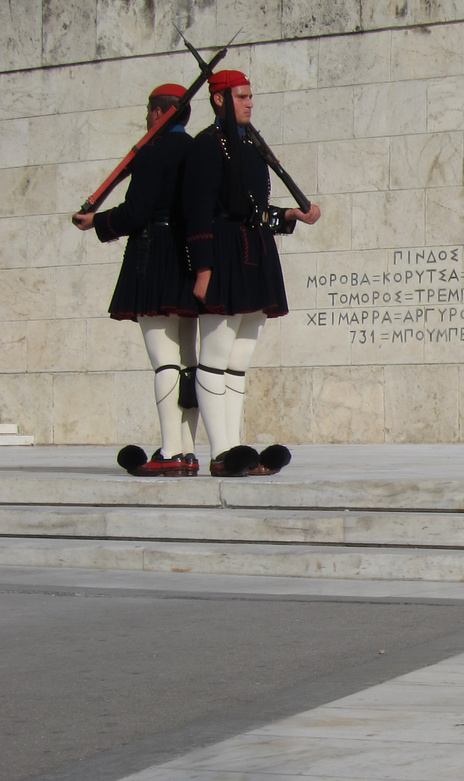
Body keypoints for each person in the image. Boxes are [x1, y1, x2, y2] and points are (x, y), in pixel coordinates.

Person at [183, 69, 321, 476]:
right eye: (242, 96)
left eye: (250, 96)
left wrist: (289, 214)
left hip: (254, 252)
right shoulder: (207, 147)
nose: (250, 102)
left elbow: (253, 208)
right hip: (224, 254)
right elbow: (198, 211)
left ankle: (234, 446)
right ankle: (222, 452)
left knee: (240, 356)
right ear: (220, 99)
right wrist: (203, 268)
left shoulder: (249, 145)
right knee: (215, 355)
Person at [73, 84, 202, 477]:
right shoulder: (198, 150)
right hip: (192, 256)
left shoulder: (154, 150)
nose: (147, 119)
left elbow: (135, 212)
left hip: (155, 254)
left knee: (164, 360)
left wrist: (96, 221)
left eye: (150, 111)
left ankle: (170, 449)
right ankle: (187, 449)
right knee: (189, 361)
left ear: (161, 112)